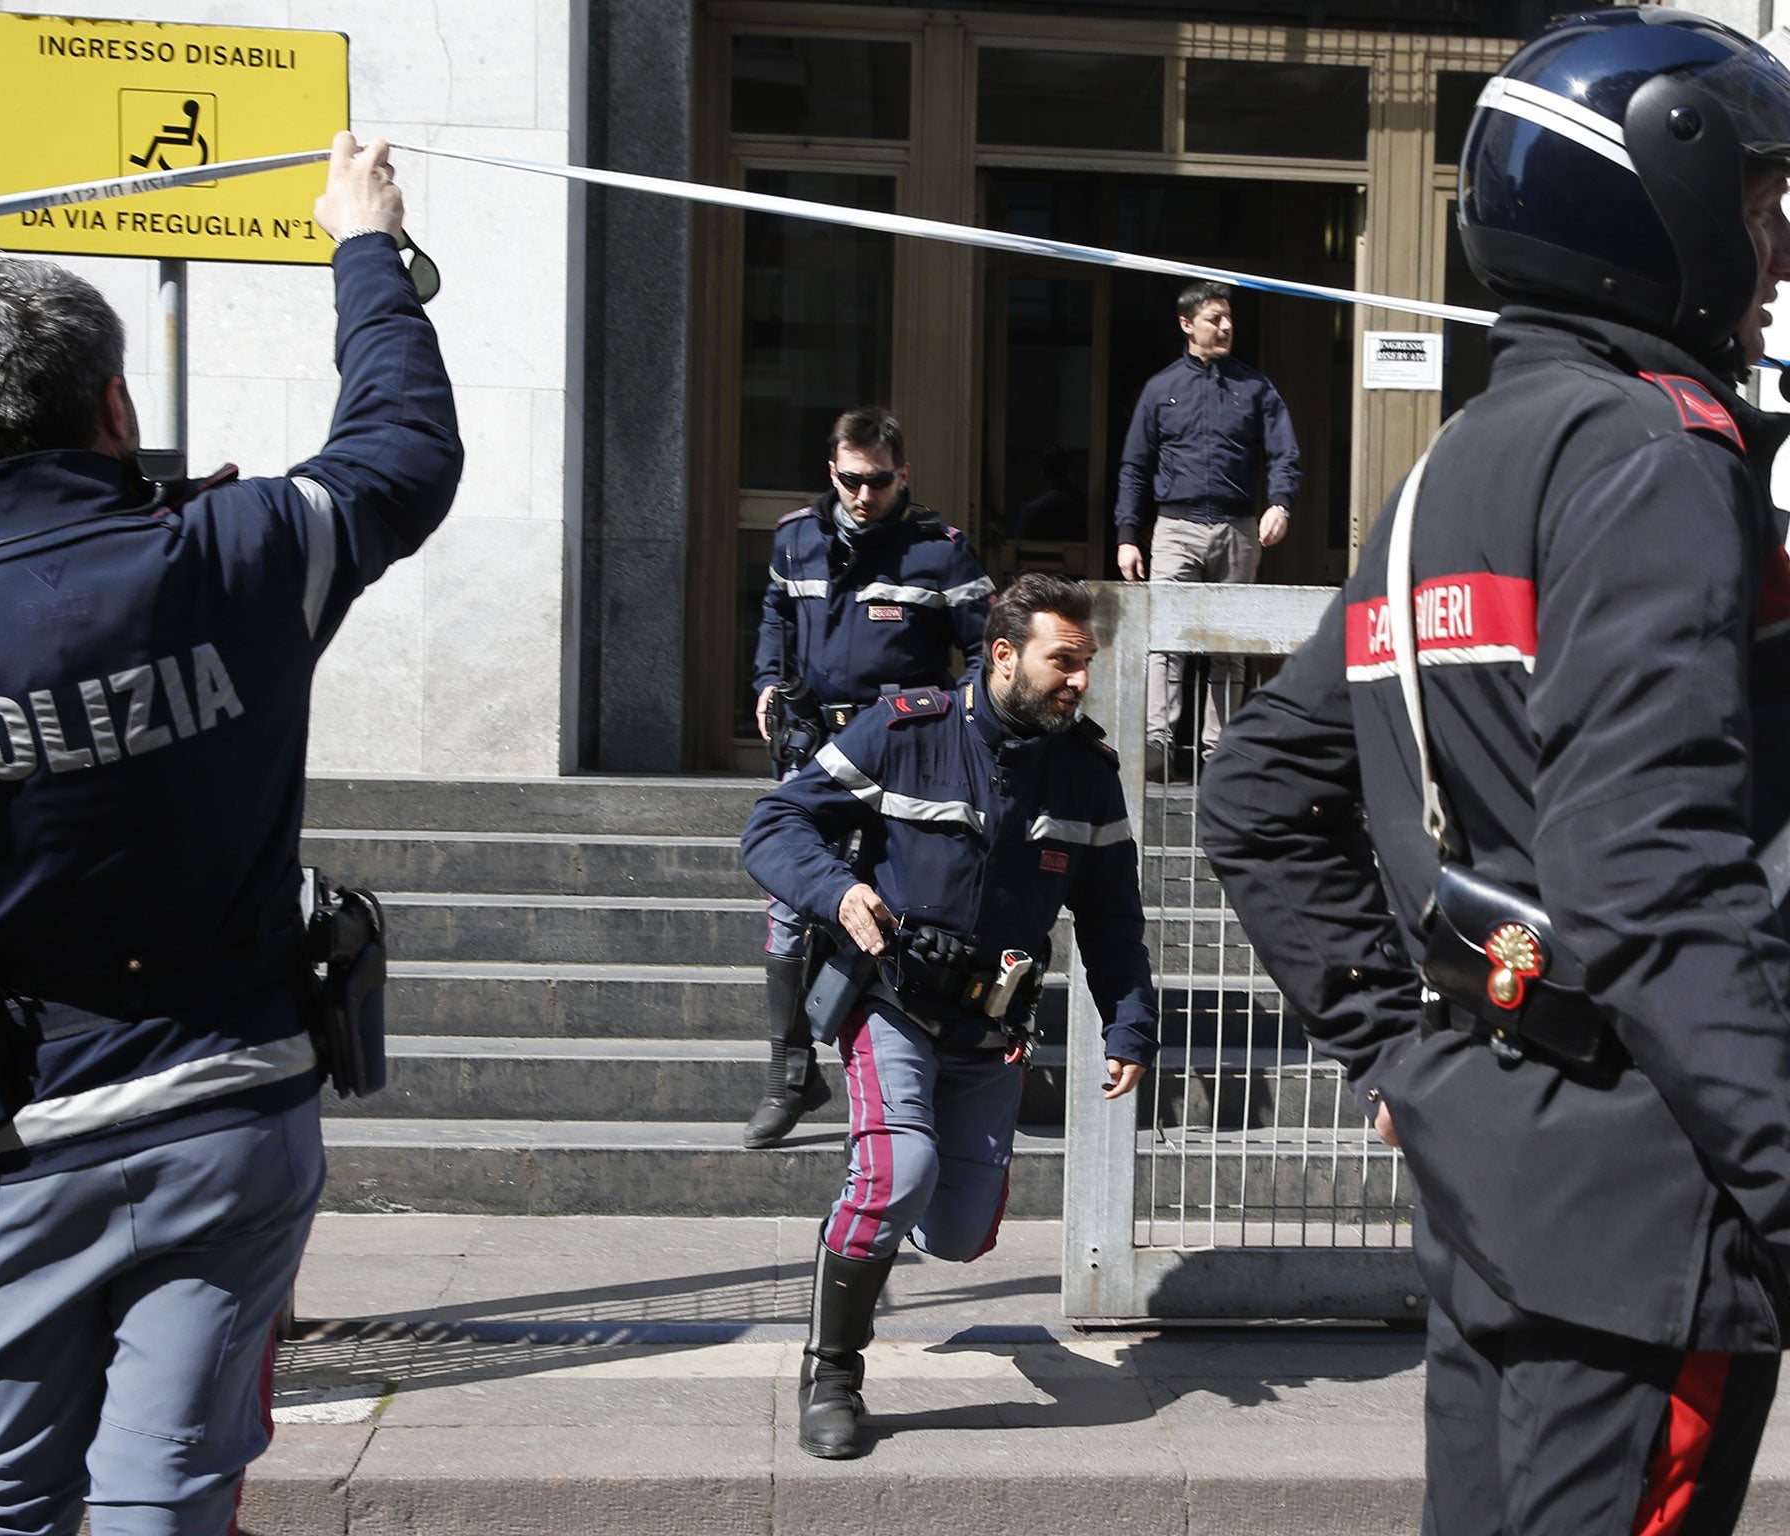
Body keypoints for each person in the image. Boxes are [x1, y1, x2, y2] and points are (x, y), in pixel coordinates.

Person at [0, 132, 461, 1534]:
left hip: (21, 1146)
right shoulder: (241, 554)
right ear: (117, 404)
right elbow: (403, 447)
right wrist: (363, 241)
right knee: (165, 1495)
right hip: (232, 1114)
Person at [1199, 12, 1790, 1532]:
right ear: (1653, 200)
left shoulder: (1445, 472)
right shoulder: (1657, 457)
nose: (1777, 246)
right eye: (1754, 200)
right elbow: (1653, 872)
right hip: (1646, 1212)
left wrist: (1396, 1048)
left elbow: (1257, 791)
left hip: (1490, 1174)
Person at [743, 572, 1158, 1460]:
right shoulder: (904, 729)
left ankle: (889, 1213)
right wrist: (840, 889)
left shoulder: (1086, 772)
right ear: (1004, 654)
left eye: (1088, 664)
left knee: (962, 1233)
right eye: (1066, 661)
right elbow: (774, 825)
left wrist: (1131, 1025)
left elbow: (1114, 917)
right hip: (891, 1002)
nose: (1080, 680)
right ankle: (833, 1376)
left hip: (992, 1029)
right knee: (897, 1170)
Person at [744, 407, 992, 1150]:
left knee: (895, 903)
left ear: (903, 475)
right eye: (850, 480)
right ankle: (789, 1075)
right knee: (791, 904)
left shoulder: (940, 554)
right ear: (832, 471)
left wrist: (957, 727)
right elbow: (773, 616)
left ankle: (909, 1067)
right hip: (814, 751)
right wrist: (765, 683)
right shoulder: (796, 539)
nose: (862, 494)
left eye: (878, 481)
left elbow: (987, 653)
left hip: (899, 753)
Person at [1114, 281, 1299, 774]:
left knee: (1230, 646)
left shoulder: (1255, 387)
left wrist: (1279, 504)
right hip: (1175, 528)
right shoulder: (1161, 389)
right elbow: (1134, 465)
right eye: (1215, 318)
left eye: (1229, 318)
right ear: (1186, 324)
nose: (1226, 326)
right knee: (1164, 639)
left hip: (1238, 528)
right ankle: (1154, 746)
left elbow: (1284, 454)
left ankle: (1220, 752)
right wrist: (1128, 536)